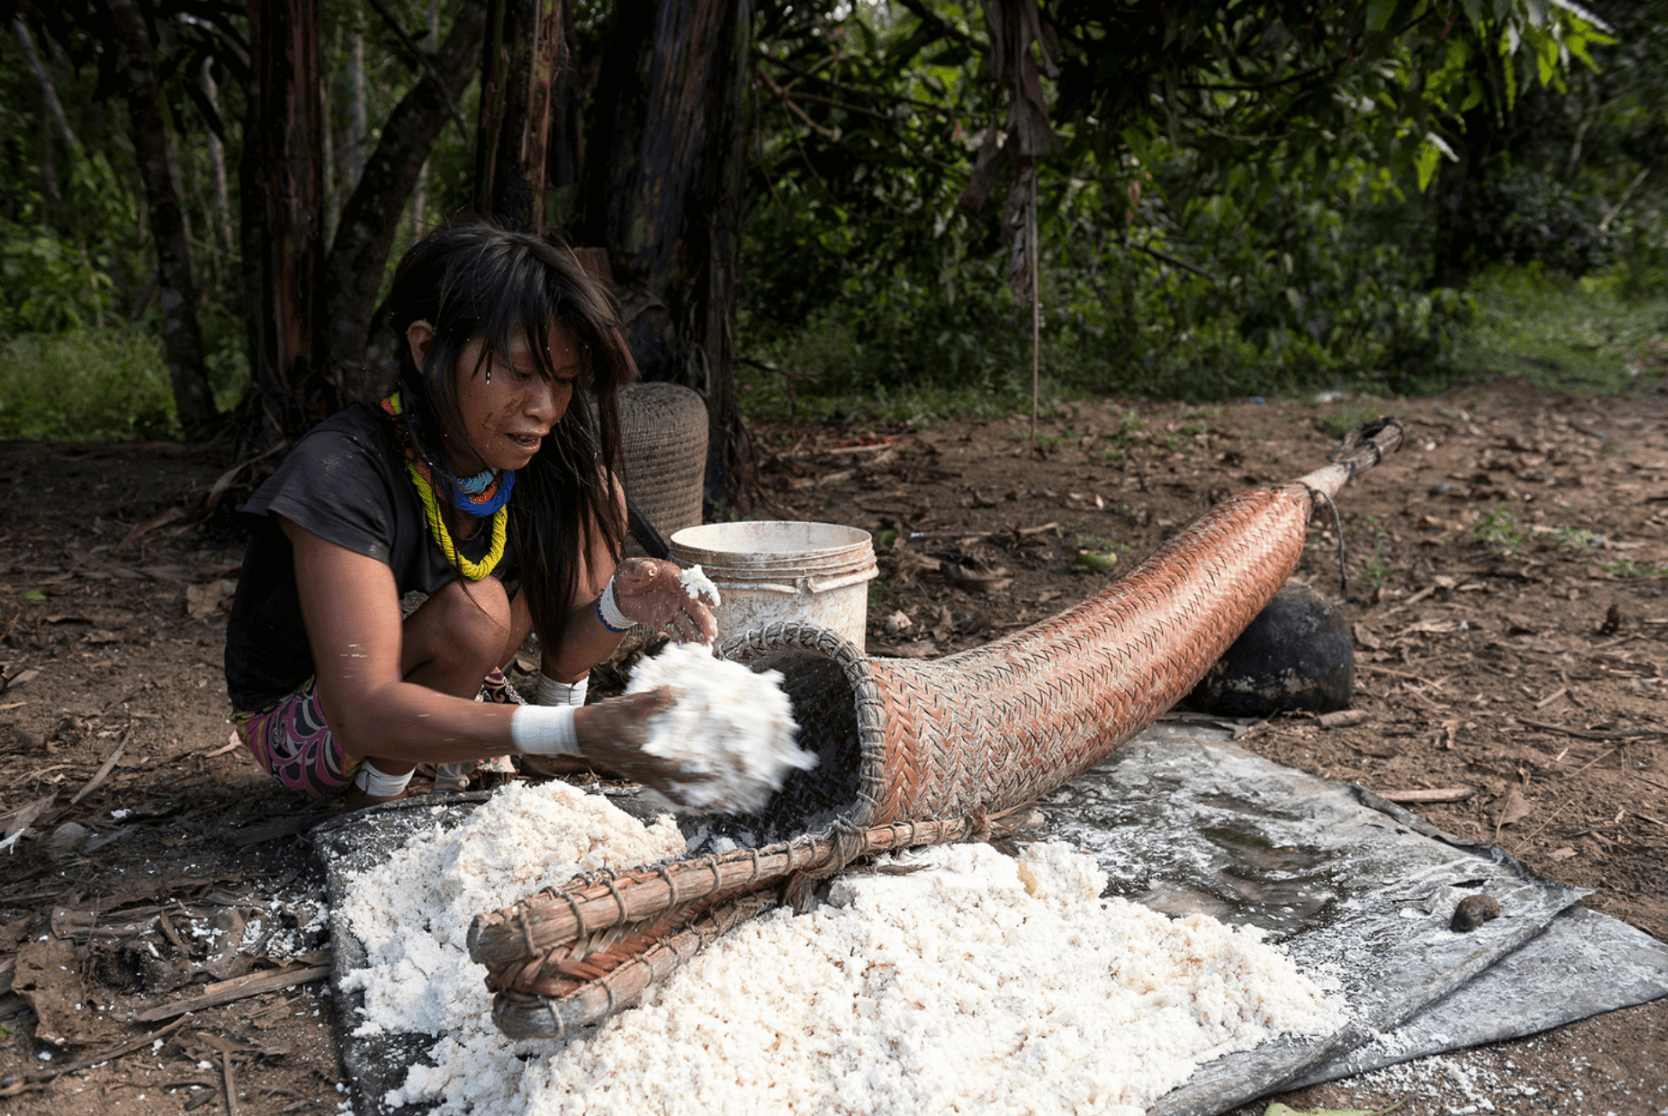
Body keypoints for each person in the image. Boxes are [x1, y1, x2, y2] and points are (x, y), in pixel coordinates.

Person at [223, 220, 716, 809]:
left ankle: (549, 734)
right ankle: (373, 803)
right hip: (312, 720)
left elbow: (564, 627)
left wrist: (619, 604)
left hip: (454, 669)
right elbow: (363, 710)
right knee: (472, 614)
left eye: (562, 381)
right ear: (428, 347)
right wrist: (572, 732)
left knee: (592, 492)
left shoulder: (525, 454)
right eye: (520, 372)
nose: (545, 408)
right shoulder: (339, 472)